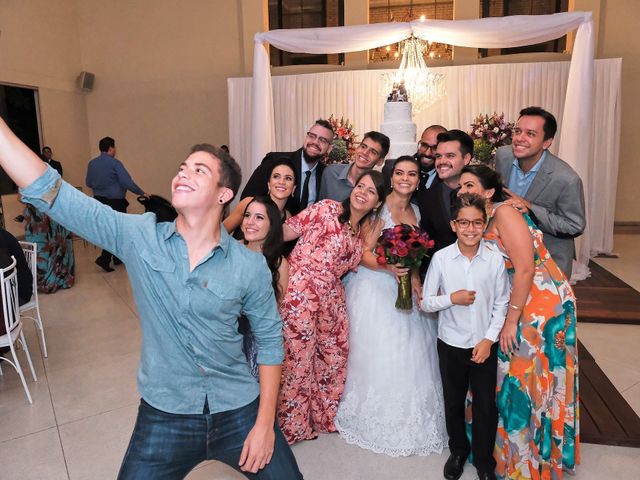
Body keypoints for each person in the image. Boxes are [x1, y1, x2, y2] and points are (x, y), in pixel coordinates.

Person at [0, 117, 303, 479]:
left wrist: (264, 423)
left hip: (238, 407)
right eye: (181, 168)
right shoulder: (140, 237)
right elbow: (54, 193)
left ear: (224, 194)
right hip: (166, 413)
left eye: (199, 170)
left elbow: (270, 342)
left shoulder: (249, 266)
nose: (183, 175)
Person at [458, 164, 579, 479]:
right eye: (460, 185)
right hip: (514, 298)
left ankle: (523, 464)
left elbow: (525, 268)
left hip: (535, 304)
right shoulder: (479, 216)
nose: (462, 190)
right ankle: (504, 454)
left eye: (469, 184)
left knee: (520, 380)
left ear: (488, 191)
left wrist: (511, 322)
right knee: (507, 380)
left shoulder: (504, 214)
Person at [335, 156, 447, 457]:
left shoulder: (418, 211)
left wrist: (414, 280)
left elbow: (414, 255)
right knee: (379, 349)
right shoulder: (378, 208)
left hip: (403, 285)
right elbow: (361, 253)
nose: (405, 178)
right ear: (392, 176)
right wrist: (387, 268)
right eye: (399, 173)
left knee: (411, 349)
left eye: (412, 174)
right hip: (374, 286)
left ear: (418, 179)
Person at [277, 170, 385, 445]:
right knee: (297, 361)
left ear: (377, 202)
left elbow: (361, 261)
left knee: (333, 359)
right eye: (361, 185)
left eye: (371, 191)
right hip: (301, 291)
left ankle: (324, 416)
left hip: (332, 298)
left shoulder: (362, 232)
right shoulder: (326, 208)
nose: (362, 192)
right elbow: (285, 232)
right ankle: (293, 425)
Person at [421, 193, 510, 480]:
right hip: (451, 344)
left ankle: (485, 462)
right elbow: (425, 302)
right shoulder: (441, 259)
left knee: (486, 405)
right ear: (453, 225)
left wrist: (488, 340)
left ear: (485, 225)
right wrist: (452, 298)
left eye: (477, 223)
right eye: (464, 223)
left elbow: (501, 303)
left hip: (483, 344)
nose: (470, 229)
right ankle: (458, 451)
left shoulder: (494, 261)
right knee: (453, 401)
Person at [495, 106, 586, 279]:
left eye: (530, 134)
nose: (519, 138)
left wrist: (530, 208)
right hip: (505, 255)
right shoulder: (503, 156)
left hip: (546, 261)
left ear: (547, 142)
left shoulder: (566, 179)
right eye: (517, 131)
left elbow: (574, 225)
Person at [238, 196, 290, 379]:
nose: (250, 222)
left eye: (259, 217)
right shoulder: (230, 251)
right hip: (224, 334)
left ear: (272, 224)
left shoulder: (279, 264)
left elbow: (277, 309)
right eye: (247, 215)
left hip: (256, 341)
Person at [241, 119, 334, 215]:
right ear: (306, 137)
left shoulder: (326, 174)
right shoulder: (275, 161)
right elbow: (247, 200)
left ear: (329, 148)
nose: (315, 142)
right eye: (312, 136)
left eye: (323, 140)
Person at [86, 136, 147, 272]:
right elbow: (127, 182)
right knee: (117, 230)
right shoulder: (115, 163)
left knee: (108, 230)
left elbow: (88, 183)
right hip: (115, 202)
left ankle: (117, 258)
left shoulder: (92, 164)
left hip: (99, 202)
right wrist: (141, 192)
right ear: (111, 148)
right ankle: (105, 259)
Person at [417, 130, 473, 274]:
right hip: (446, 277)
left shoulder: (484, 188)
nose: (442, 162)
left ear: (466, 159)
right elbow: (427, 246)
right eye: (438, 156)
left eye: (450, 156)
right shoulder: (428, 197)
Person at [225, 158, 296, 235]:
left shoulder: (288, 217)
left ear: (294, 188)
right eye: (276, 176)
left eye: (288, 178)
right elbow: (220, 234)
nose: (281, 182)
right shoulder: (248, 203)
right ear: (269, 184)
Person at [17, 203, 75, 293]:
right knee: (49, 246)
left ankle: (54, 276)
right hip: (44, 217)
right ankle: (57, 276)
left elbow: (21, 198)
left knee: (54, 244)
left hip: (49, 216)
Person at [318, 131, 390, 201]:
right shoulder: (330, 173)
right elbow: (319, 208)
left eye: (373, 152)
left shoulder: (378, 187)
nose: (365, 153)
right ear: (357, 148)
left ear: (380, 161)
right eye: (363, 147)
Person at [382, 124, 446, 193]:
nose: (427, 153)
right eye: (424, 145)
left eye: (435, 148)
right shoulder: (391, 168)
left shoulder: (449, 175)